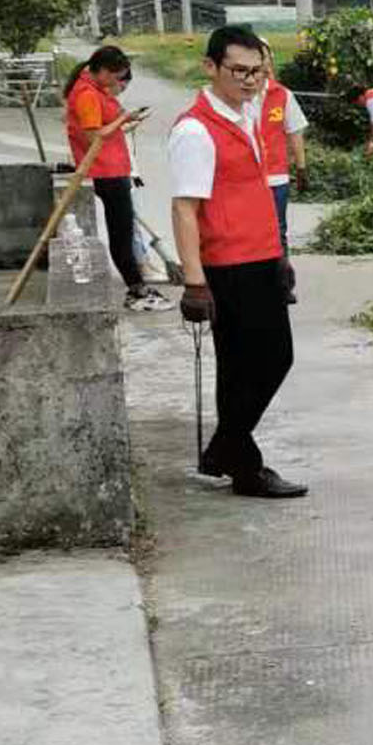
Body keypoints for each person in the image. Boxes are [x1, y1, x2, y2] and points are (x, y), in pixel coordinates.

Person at [168, 26, 306, 500]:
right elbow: (185, 208)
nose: (250, 82)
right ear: (211, 67)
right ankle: (232, 451)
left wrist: (280, 255)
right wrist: (194, 282)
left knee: (242, 367)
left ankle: (234, 461)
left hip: (260, 256)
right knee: (270, 359)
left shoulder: (245, 114)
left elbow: (255, 192)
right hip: (229, 265)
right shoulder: (194, 130)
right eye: (239, 72)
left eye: (257, 73)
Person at [61, 45, 169, 312]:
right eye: (117, 76)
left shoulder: (95, 90)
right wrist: (123, 117)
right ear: (105, 71)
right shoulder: (86, 94)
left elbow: (103, 130)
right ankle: (136, 290)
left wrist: (126, 123)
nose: (118, 82)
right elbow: (93, 136)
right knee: (121, 233)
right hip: (105, 170)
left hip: (113, 167)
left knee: (123, 230)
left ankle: (137, 286)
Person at [254, 54, 309, 248]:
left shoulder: (282, 95)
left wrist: (301, 168)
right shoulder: (236, 95)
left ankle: (281, 276)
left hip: (276, 176)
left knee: (278, 231)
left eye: (265, 57)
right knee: (251, 233)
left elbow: (295, 132)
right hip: (246, 179)